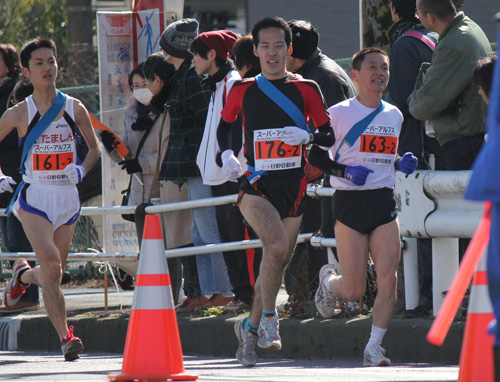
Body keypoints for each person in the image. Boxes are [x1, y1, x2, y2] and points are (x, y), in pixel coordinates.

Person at [217, 16, 334, 367]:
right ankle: (270, 319)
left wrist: (309, 137)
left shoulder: (307, 89)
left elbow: (328, 136)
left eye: (279, 45)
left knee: (275, 259)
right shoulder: (242, 89)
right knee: (279, 245)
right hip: (256, 185)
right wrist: (226, 154)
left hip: (295, 186)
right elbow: (226, 128)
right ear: (255, 50)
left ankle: (249, 332)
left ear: (289, 49)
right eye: (265, 46)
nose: (272, 52)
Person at [309, 47, 418, 366]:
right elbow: (315, 156)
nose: (380, 72)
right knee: (354, 290)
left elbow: (381, 156)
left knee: (389, 278)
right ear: (355, 75)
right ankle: (329, 281)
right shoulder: (338, 113)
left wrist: (400, 162)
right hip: (349, 203)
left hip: (383, 201)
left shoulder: (394, 115)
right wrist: (344, 173)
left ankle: (374, 347)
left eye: (384, 67)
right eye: (373, 67)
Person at [0, 37, 101, 361]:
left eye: (51, 61)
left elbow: (95, 148)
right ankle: (66, 338)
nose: (47, 67)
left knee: (53, 274)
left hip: (67, 197)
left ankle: (22, 277)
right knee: (53, 264)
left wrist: (81, 170)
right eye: (39, 63)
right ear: (27, 72)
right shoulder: (19, 112)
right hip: (36, 197)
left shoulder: (74, 107)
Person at [158, 19, 233, 311]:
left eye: (167, 49)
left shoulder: (191, 77)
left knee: (208, 228)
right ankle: (209, 290)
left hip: (200, 163)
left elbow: (208, 124)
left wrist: (205, 157)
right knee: (199, 231)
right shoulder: (184, 75)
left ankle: (223, 290)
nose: (164, 55)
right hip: (194, 163)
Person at [284, 19, 357, 304]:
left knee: (320, 238)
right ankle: (309, 295)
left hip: (328, 173)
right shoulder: (312, 70)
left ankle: (313, 296)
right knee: (315, 238)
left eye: (280, 45)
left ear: (291, 50)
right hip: (320, 172)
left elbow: (338, 133)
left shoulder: (322, 77)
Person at [385, 0, 442, 319]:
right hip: (441, 142)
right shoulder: (434, 38)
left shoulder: (405, 44)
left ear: (395, 11)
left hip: (415, 149)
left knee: (425, 223)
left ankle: (429, 297)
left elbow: (405, 104)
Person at [190, 30, 252, 310]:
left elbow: (237, 125)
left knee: (237, 237)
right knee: (228, 238)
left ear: (212, 55)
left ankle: (246, 296)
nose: (192, 60)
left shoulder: (231, 81)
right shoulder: (218, 83)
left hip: (231, 173)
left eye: (195, 54)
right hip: (220, 173)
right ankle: (241, 295)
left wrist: (230, 160)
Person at [408, 0, 491, 171]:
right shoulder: (470, 28)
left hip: (463, 141)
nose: (419, 19)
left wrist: (413, 100)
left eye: (419, 15)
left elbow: (426, 104)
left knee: (459, 197)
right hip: (476, 133)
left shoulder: (454, 43)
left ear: (430, 17)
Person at [142, 52, 193, 306]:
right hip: (173, 183)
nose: (145, 89)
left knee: (186, 246)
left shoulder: (171, 105)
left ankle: (194, 295)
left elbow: (163, 152)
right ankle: (191, 295)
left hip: (177, 180)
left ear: (158, 81)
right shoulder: (167, 104)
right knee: (182, 245)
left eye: (146, 82)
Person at [0, 46, 40, 314]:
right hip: (4, 171)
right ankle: (18, 291)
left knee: (20, 233)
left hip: (17, 171)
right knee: (8, 231)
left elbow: (20, 132)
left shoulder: (16, 90)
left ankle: (28, 294)